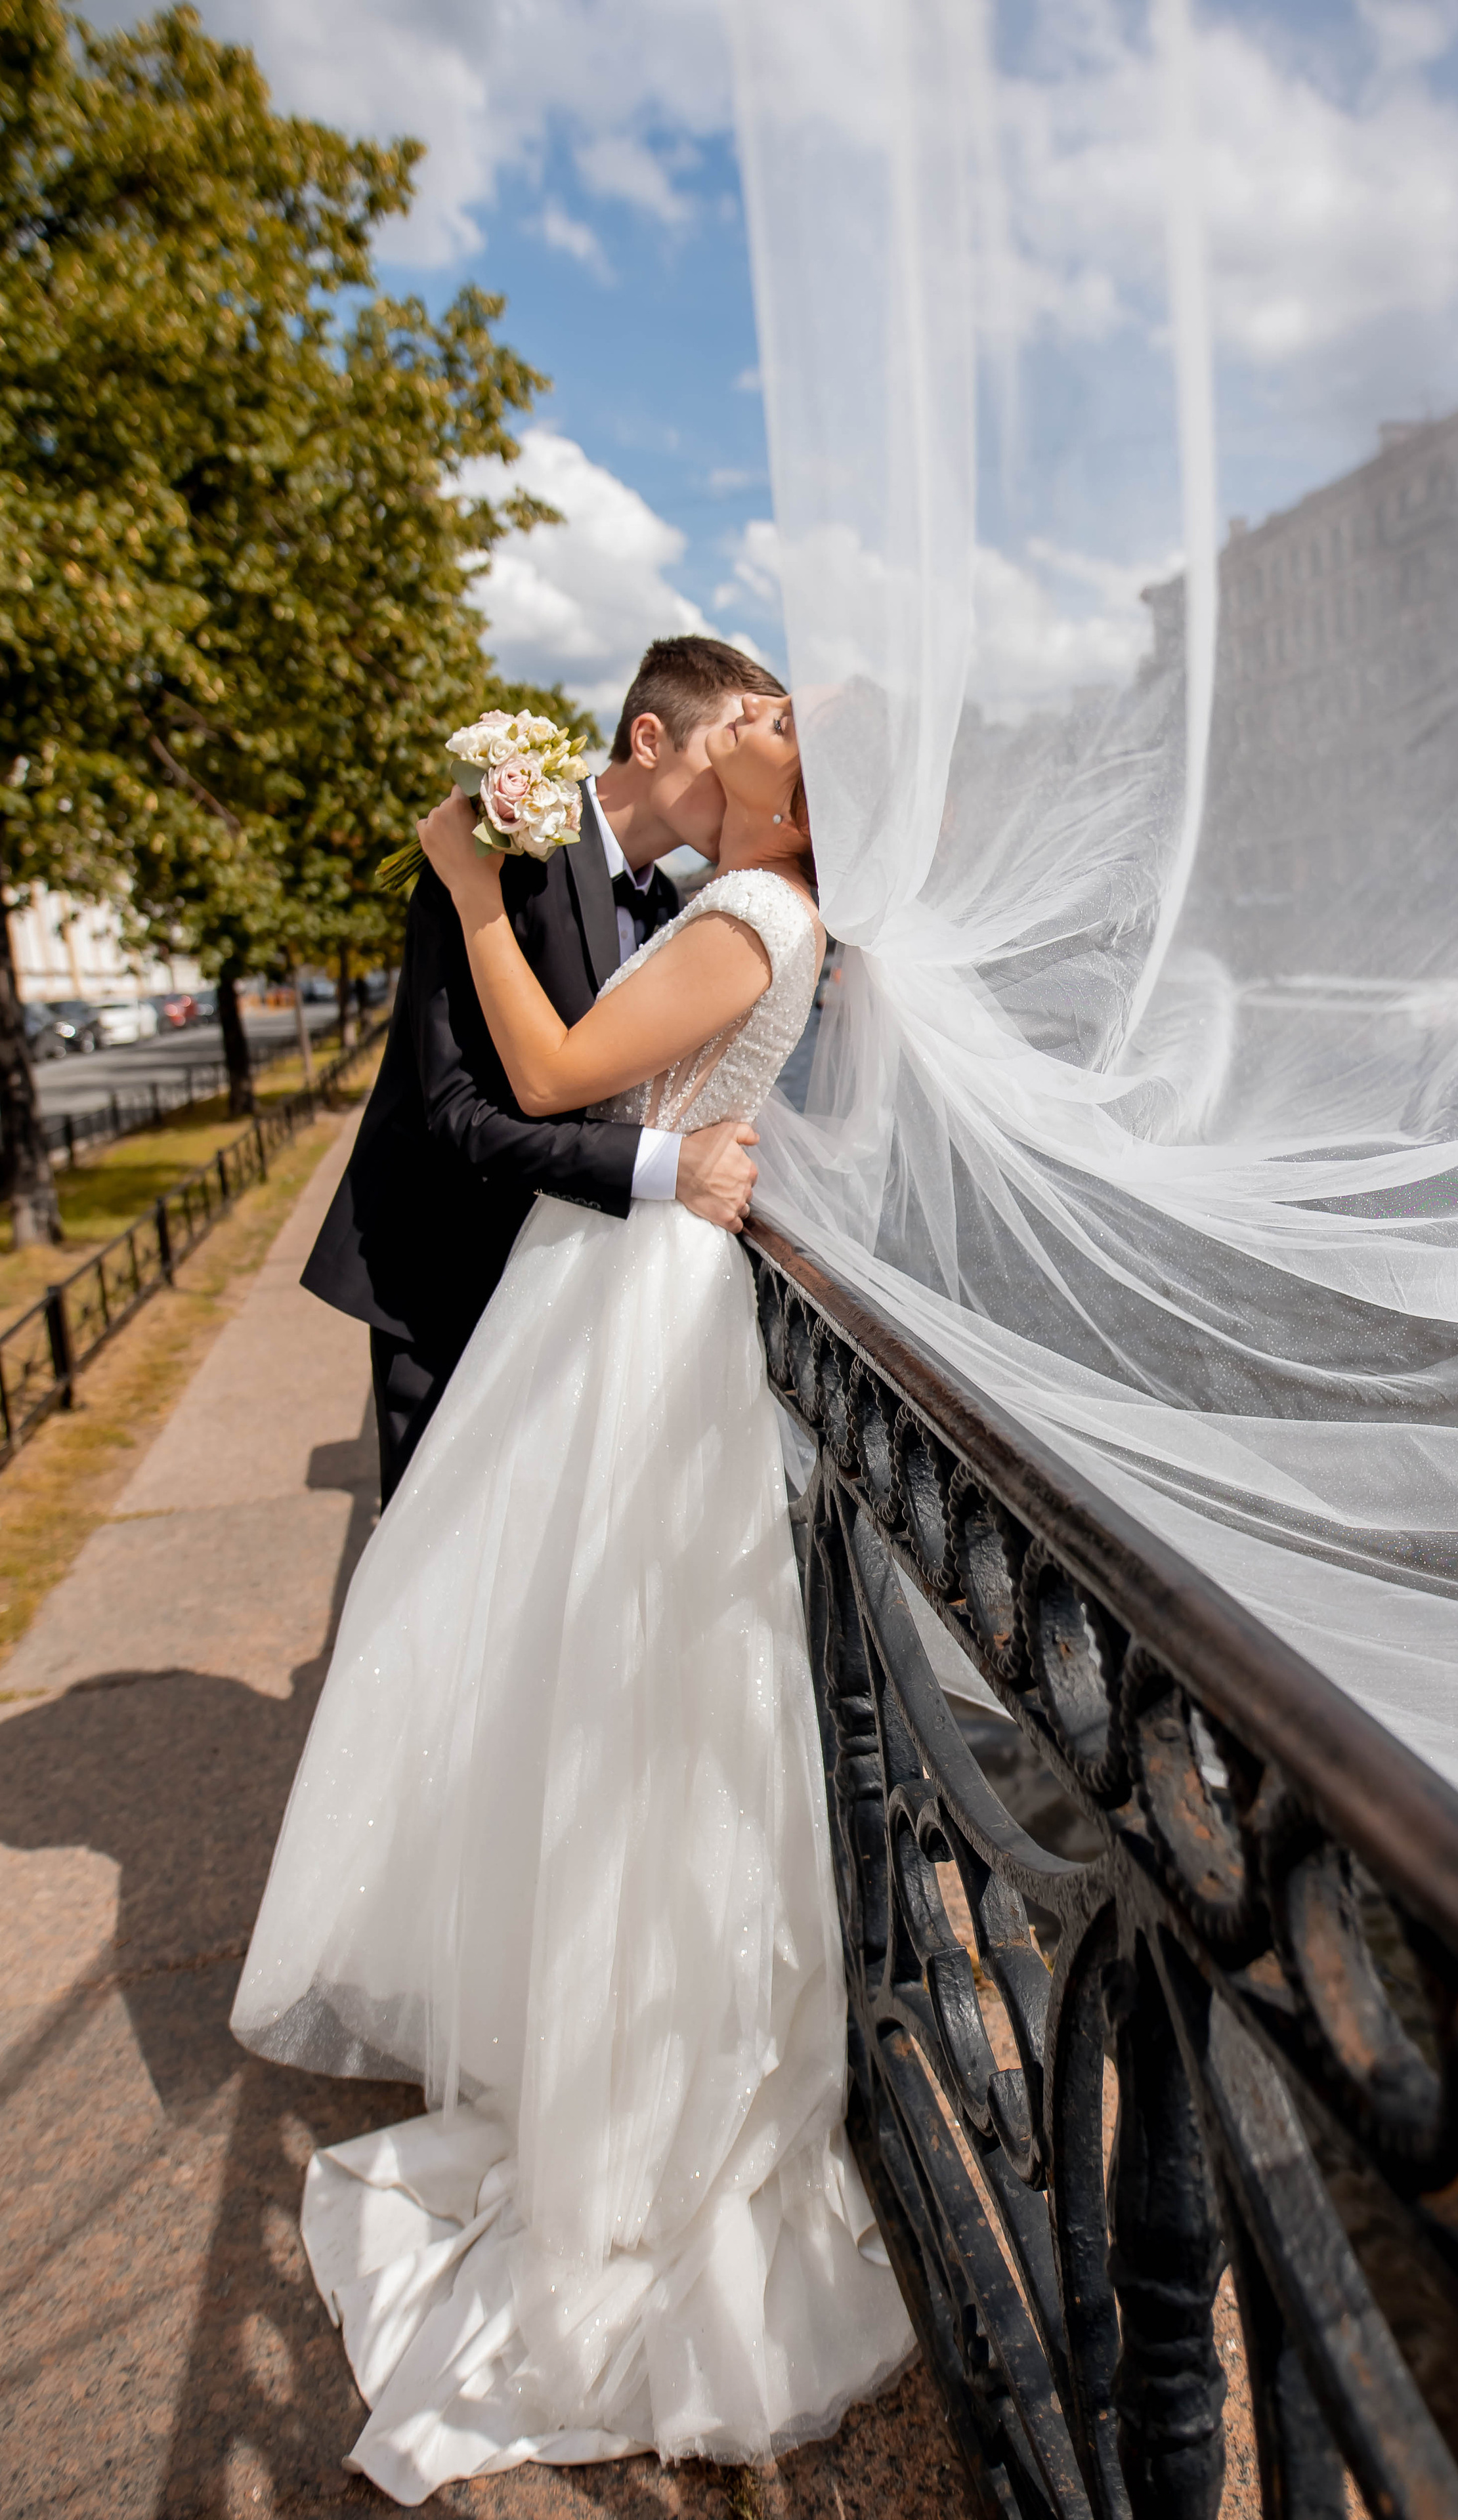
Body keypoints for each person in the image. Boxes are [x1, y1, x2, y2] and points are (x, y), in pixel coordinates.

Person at [232, 691, 916, 2503]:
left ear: (800, 799)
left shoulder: (753, 911)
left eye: (784, 714)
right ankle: (610, 2062)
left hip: (629, 1310)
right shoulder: (751, 905)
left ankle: (632, 2112)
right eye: (752, 695)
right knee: (618, 1682)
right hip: (626, 1283)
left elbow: (545, 1076)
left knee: (617, 1686)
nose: (763, 706)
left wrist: (470, 888)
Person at [301, 636, 788, 1505]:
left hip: (570, 1288)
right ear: (649, 740)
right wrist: (666, 1167)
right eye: (721, 745)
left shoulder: (674, 906)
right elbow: (455, 1114)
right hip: (448, 1276)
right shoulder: (490, 859)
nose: (735, 773)